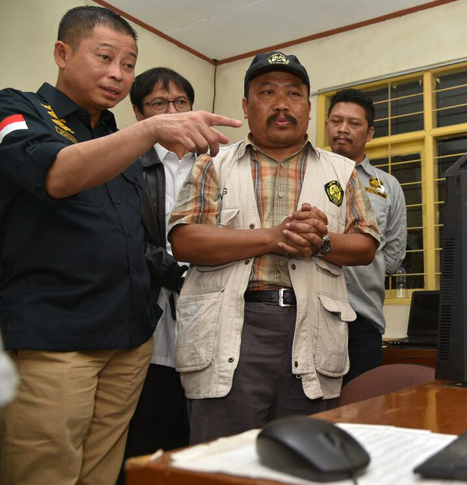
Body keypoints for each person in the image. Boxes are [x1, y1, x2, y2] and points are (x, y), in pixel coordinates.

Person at [0, 6, 239, 485]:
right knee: (45, 470)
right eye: (105, 57)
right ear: (62, 53)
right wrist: (149, 129)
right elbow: (56, 175)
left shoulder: (115, 133)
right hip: (57, 336)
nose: (118, 74)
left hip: (129, 336)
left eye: (128, 64)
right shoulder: (17, 108)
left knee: (103, 471)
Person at [168, 51, 380, 444]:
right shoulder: (213, 164)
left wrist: (322, 242)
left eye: (294, 94)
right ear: (247, 107)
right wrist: (273, 236)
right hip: (234, 326)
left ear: (309, 108)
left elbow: (366, 246)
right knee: (225, 462)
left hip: (313, 327)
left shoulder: (342, 171)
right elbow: (184, 240)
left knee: (303, 460)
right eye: (267, 92)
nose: (282, 104)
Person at [117, 68, 197, 482]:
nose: (173, 111)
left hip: (205, 305)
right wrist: (175, 275)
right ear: (138, 112)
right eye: (159, 104)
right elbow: (127, 236)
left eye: (181, 102)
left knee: (195, 425)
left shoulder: (214, 162)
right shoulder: (125, 161)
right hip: (147, 305)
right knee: (146, 420)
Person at [325, 88, 406, 384]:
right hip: (308, 313)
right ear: (326, 125)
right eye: (336, 121)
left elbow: (393, 256)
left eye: (354, 123)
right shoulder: (305, 173)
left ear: (369, 133)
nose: (343, 129)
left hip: (363, 318)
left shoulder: (385, 185)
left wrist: (360, 266)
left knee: (360, 411)